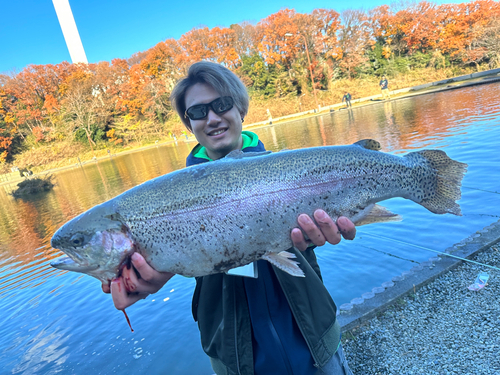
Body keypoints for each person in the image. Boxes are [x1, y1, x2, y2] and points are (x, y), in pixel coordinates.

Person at [102, 61, 357, 375]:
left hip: (314, 339)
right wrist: (154, 273)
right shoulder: (166, 200)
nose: (211, 118)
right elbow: (168, 263)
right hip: (237, 358)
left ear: (241, 109)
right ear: (189, 123)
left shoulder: (292, 171)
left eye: (221, 105)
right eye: (197, 112)